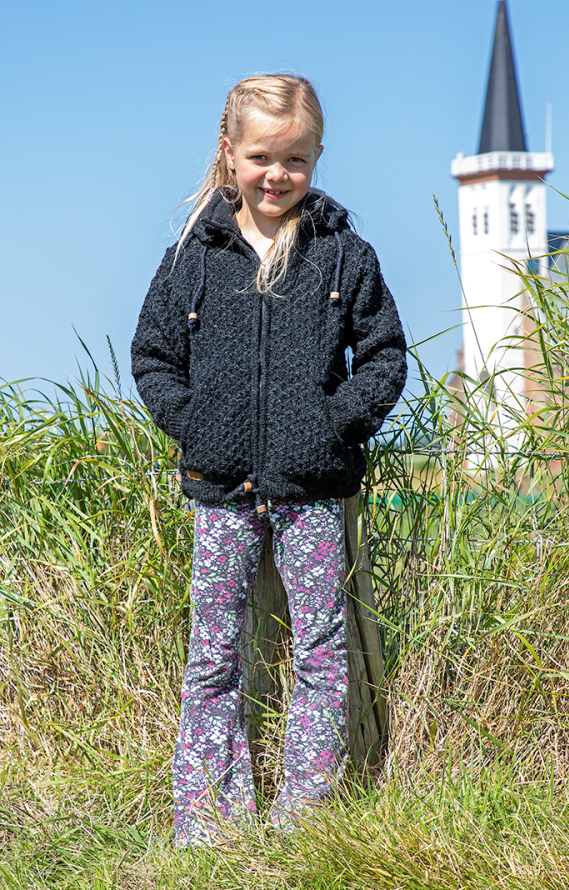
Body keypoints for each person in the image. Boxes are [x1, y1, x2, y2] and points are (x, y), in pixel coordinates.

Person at [131, 74, 407, 847]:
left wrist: (333, 424)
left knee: (323, 653)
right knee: (212, 655)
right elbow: (153, 357)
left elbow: (384, 357)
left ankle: (304, 822)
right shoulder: (192, 255)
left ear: (317, 157)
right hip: (219, 489)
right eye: (261, 157)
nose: (277, 175)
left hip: (312, 489)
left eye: (296, 159)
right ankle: (210, 822)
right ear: (230, 154)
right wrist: (197, 427)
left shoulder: (344, 255)